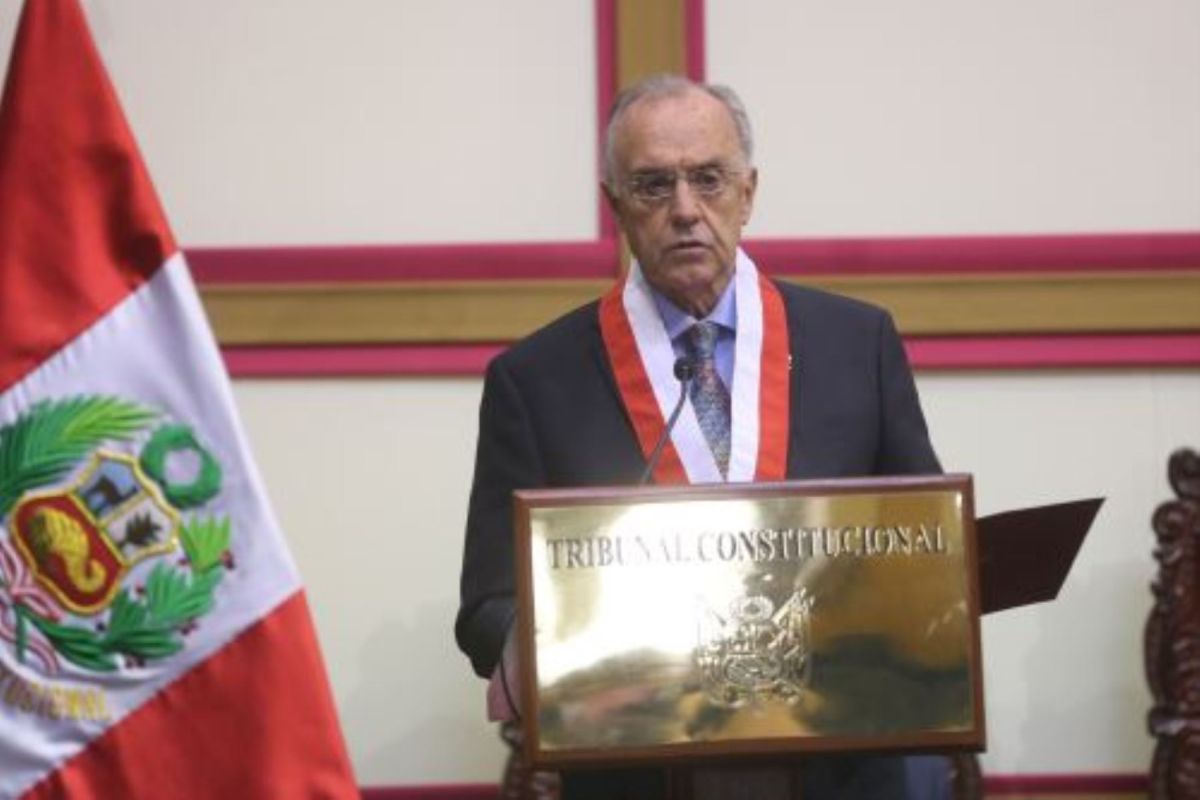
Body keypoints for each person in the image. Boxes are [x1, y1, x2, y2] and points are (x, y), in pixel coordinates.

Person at [455, 74, 951, 799]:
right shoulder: (536, 380)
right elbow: (486, 604)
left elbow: (927, 549)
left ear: (748, 193)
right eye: (654, 185)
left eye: (708, 179)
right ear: (616, 206)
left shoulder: (857, 344)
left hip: (839, 764)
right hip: (639, 770)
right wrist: (551, 648)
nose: (685, 209)